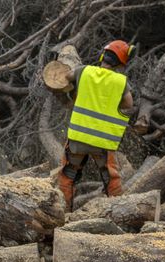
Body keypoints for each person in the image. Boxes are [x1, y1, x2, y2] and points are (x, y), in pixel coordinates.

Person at [57, 40, 135, 210]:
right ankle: (120, 214)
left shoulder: (84, 71)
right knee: (111, 179)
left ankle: (60, 213)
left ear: (102, 56)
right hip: (104, 144)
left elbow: (66, 77)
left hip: (78, 139)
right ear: (121, 63)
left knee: (68, 175)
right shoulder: (121, 82)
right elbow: (128, 105)